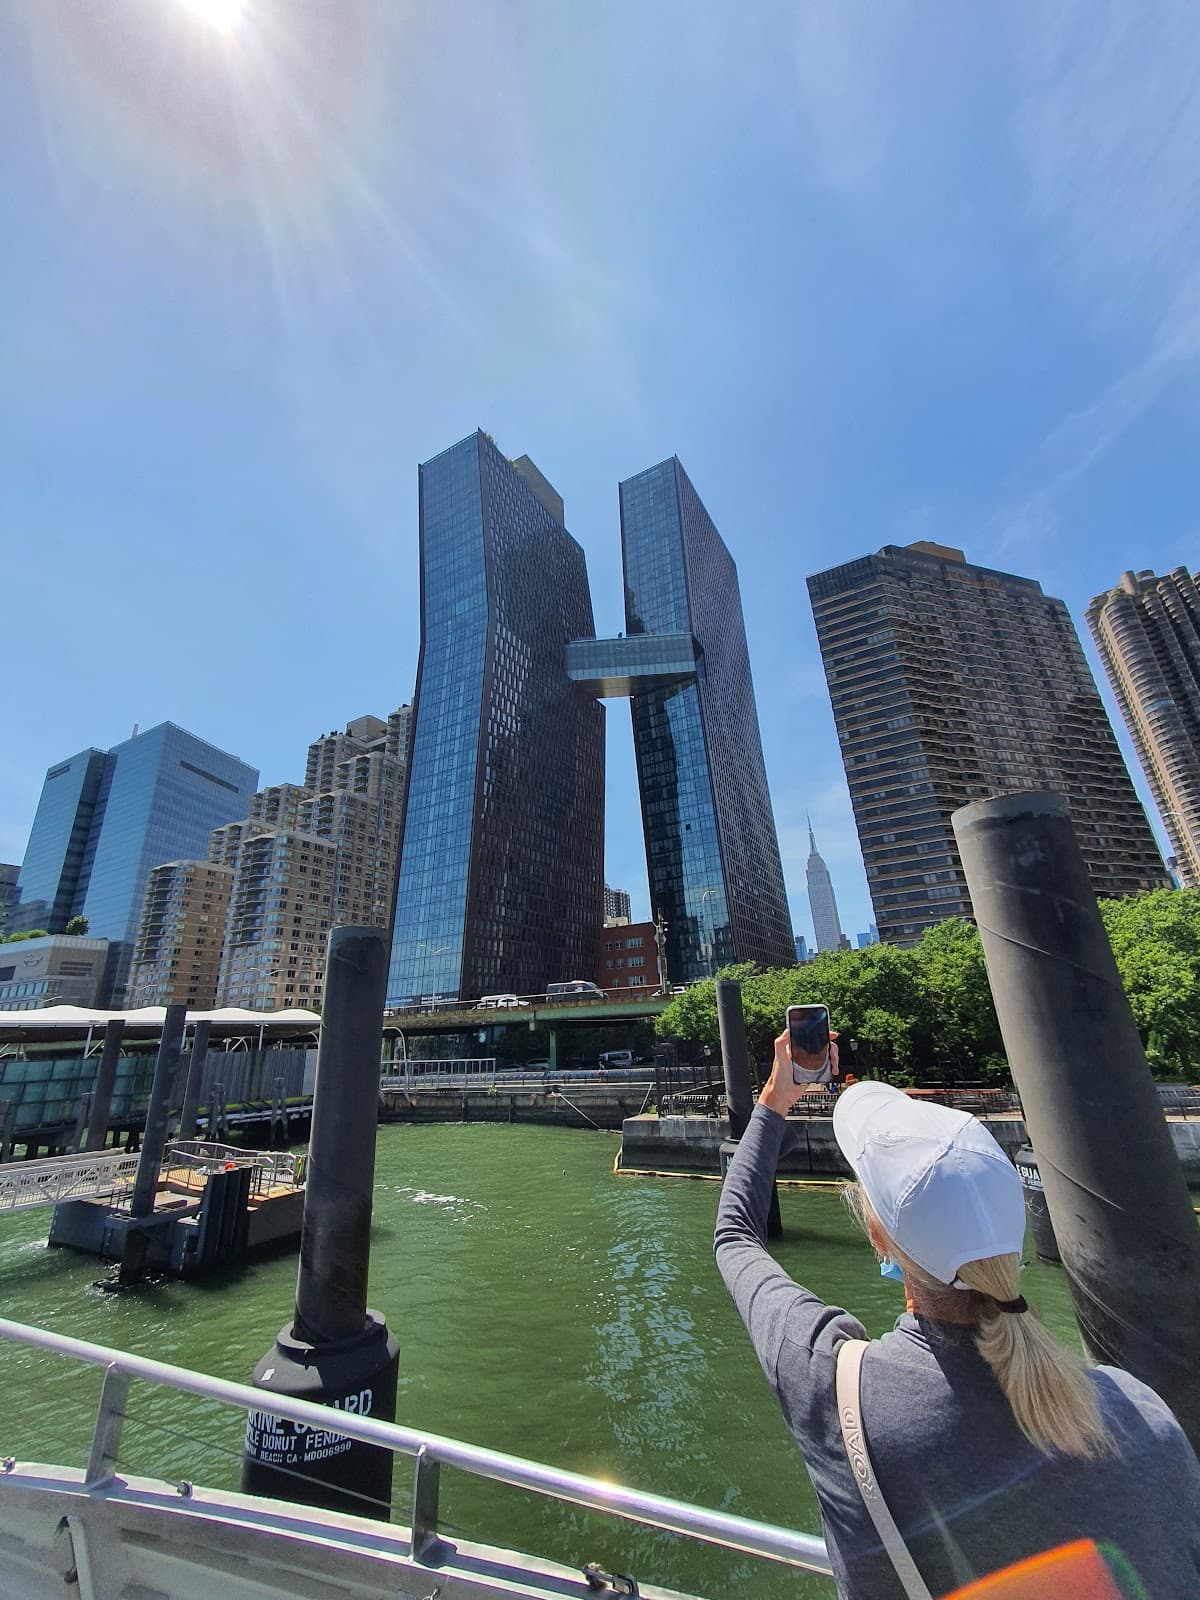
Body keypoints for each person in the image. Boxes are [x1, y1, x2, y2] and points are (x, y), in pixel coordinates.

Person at [714, 1027, 1200, 1600]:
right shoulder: (1140, 1410)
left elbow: (734, 1235)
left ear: (879, 1237)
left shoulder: (832, 1386)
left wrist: (774, 1097)